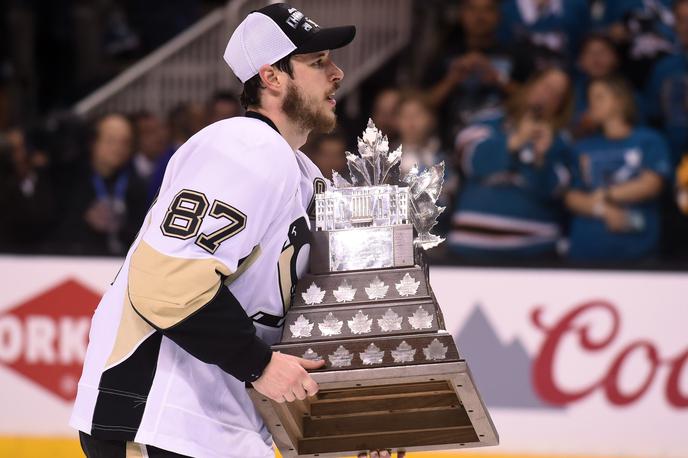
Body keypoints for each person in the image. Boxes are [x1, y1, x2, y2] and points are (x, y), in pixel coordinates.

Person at [71, 4, 402, 458]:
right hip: (166, 415)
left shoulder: (299, 171)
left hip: (217, 426)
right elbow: (167, 284)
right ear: (271, 77)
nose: (337, 73)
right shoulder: (243, 147)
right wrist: (259, 364)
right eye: (318, 62)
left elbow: (289, 319)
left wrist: (341, 417)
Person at [449, 67, 573, 260]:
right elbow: (471, 162)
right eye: (547, 86)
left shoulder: (561, 141)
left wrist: (541, 158)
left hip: (534, 250)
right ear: (530, 86)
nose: (548, 96)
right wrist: (515, 141)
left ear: (561, 107)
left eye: (558, 95)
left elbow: (557, 191)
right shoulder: (487, 122)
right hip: (471, 245)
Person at [565, 76, 672, 262]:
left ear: (620, 100)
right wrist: (602, 209)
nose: (592, 104)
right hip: (585, 253)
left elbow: (651, 185)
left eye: (599, 97)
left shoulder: (649, 140)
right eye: (590, 98)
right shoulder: (582, 147)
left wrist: (605, 195)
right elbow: (571, 196)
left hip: (638, 253)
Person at [424, 0, 534, 147]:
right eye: (472, 9)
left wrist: (498, 79)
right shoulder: (444, 55)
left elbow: (532, 100)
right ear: (462, 14)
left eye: (487, 10)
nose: (479, 16)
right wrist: (451, 80)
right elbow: (424, 103)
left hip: (503, 143)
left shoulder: (516, 55)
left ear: (498, 15)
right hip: (449, 146)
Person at [57, 113, 148, 256]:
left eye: (125, 142)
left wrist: (121, 226)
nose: (118, 148)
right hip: (74, 260)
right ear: (93, 142)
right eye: (111, 141)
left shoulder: (137, 185)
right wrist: (84, 221)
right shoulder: (67, 179)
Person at [645, 0, 688, 165]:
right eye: (682, 20)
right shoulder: (664, 69)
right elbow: (652, 118)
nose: (687, 26)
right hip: (674, 160)